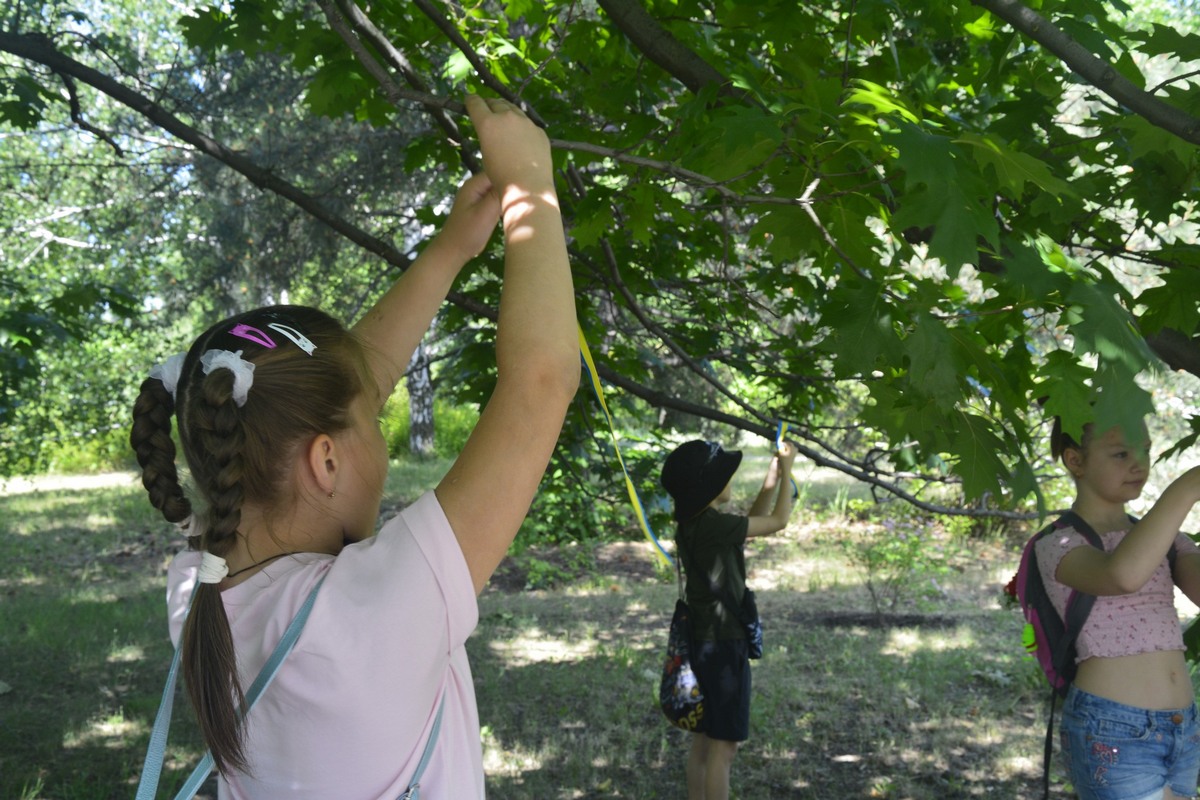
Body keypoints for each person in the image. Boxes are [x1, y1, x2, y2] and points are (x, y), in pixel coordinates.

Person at [128, 94, 578, 798]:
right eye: (372, 419)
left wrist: (453, 250)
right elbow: (541, 382)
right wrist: (531, 182)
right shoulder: (372, 611)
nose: (379, 418)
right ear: (326, 460)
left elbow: (345, 388)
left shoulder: (199, 587)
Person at [1038, 416, 1200, 800]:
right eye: (1121, 453)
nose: (1139, 463)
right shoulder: (1057, 544)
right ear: (1075, 460)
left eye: (1144, 449)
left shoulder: (1165, 539)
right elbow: (1122, 574)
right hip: (1112, 729)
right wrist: (1189, 486)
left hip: (1185, 727)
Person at [659, 438, 798, 800]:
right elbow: (778, 521)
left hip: (702, 641)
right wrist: (789, 472)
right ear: (709, 488)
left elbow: (753, 519)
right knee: (725, 747)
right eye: (725, 476)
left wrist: (772, 473)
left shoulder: (696, 526)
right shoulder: (714, 528)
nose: (730, 480)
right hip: (724, 645)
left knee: (705, 741)